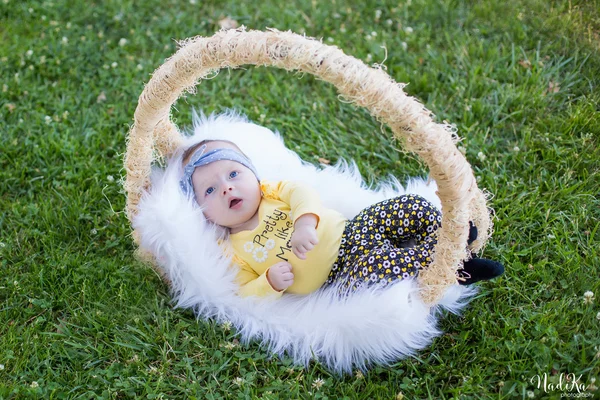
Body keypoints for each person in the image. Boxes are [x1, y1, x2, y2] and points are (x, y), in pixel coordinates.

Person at [179, 139, 504, 298]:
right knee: (385, 266)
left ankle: (448, 232)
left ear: (252, 172)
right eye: (209, 190)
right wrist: (268, 283)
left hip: (353, 230)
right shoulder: (231, 249)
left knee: (406, 206)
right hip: (340, 279)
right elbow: (242, 292)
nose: (226, 188)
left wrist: (305, 222)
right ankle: (450, 265)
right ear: (200, 210)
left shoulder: (271, 192)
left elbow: (302, 193)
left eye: (233, 173)